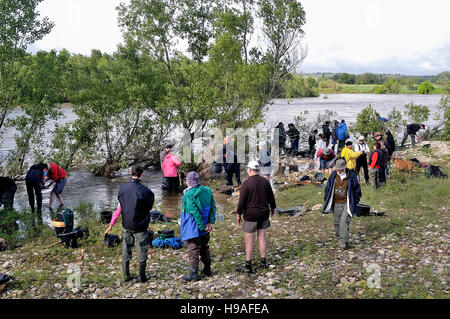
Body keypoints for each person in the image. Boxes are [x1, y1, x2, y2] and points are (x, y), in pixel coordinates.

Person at [105, 165, 155, 283]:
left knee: (126, 250)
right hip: (140, 226)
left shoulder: (123, 187)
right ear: (141, 174)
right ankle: (142, 277)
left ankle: (126, 276)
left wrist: (112, 224)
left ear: (130, 173)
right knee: (142, 251)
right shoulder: (146, 191)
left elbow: (120, 205)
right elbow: (149, 207)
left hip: (126, 224)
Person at [236, 161, 276, 273]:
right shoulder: (265, 181)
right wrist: (273, 208)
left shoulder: (246, 183)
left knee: (249, 241)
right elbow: (271, 197)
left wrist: (238, 213)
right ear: (257, 170)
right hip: (264, 213)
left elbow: (242, 201)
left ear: (249, 170)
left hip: (251, 215)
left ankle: (248, 266)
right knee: (262, 238)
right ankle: (263, 263)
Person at [180, 171, 216, 281]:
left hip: (194, 227)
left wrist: (201, 226)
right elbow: (213, 208)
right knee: (204, 247)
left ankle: (193, 274)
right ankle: (207, 270)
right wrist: (210, 222)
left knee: (193, 250)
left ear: (189, 181)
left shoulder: (188, 195)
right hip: (206, 225)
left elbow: (194, 212)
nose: (185, 181)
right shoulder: (208, 190)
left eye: (186, 180)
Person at [323, 159, 362, 250]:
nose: (339, 171)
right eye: (338, 169)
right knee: (336, 222)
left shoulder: (351, 176)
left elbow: (357, 191)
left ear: (344, 168)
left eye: (341, 169)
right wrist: (326, 199)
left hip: (346, 203)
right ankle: (339, 237)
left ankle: (344, 242)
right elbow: (328, 188)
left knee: (344, 222)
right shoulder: (333, 175)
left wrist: (354, 202)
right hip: (336, 202)